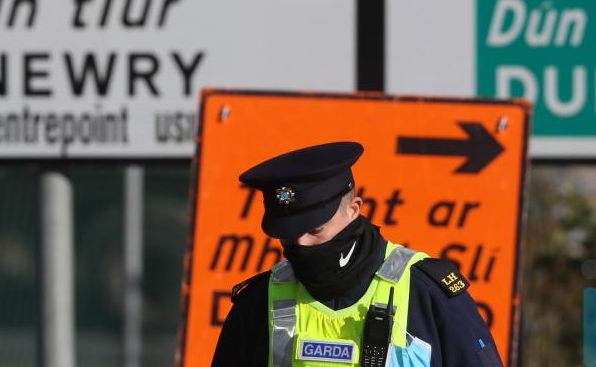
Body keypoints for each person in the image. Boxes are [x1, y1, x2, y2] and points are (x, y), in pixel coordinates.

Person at [212, 141, 504, 366]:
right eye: (289, 236)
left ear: (354, 210)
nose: (301, 245)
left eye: (315, 230)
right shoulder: (258, 302)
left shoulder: (426, 293)